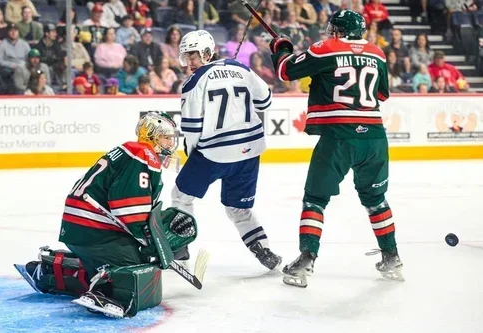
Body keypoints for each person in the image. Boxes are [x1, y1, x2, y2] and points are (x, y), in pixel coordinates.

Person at [16, 111, 198, 318]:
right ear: (151, 137)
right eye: (166, 138)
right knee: (139, 266)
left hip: (81, 229)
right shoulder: (143, 155)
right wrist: (150, 243)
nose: (170, 144)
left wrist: (154, 238)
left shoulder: (132, 152)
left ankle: (52, 273)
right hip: (95, 231)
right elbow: (127, 207)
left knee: (129, 259)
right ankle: (104, 292)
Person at [268, 9, 403, 287]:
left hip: (339, 137)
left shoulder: (324, 48)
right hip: (374, 138)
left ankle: (306, 259)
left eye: (333, 27)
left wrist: (281, 48)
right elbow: (381, 94)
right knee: (376, 200)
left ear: (339, 30)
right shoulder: (377, 52)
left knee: (315, 199)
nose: (330, 31)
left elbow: (285, 71)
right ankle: (392, 256)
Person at [171, 30, 282, 271]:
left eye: (193, 56)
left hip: (214, 153)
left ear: (208, 53)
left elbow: (192, 128)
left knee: (181, 196)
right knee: (238, 208)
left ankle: (179, 247)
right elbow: (265, 101)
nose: (189, 62)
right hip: (250, 152)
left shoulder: (194, 81)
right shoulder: (241, 68)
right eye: (186, 57)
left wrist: (191, 156)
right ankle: (262, 248)